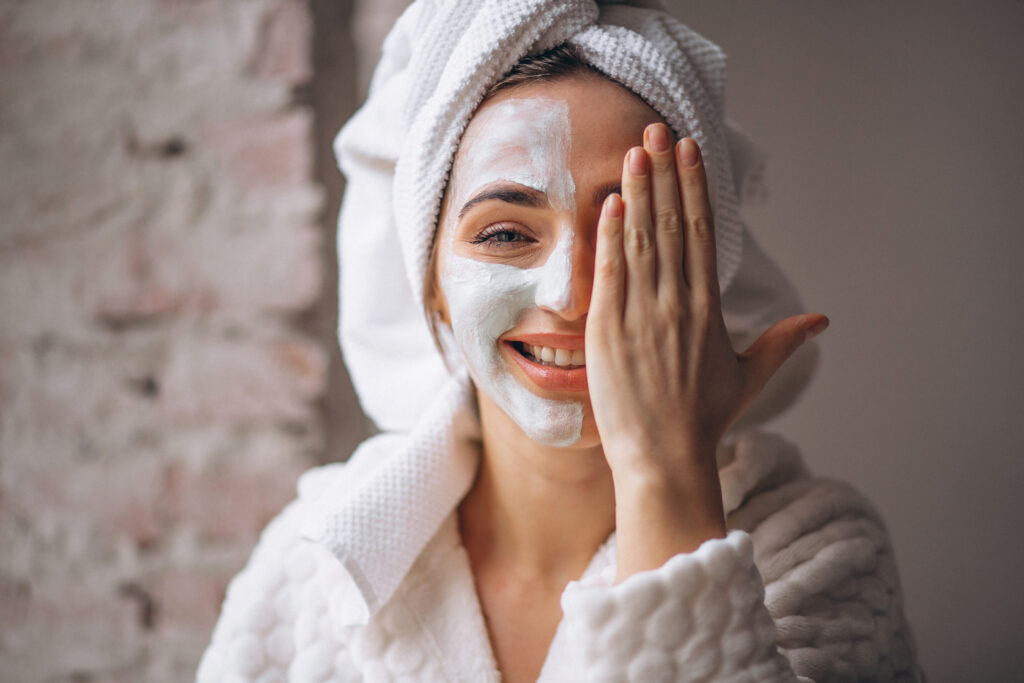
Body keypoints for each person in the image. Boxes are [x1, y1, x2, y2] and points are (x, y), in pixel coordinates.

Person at [198, 1, 921, 681]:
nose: (571, 295)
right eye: (506, 234)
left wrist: (666, 469)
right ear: (432, 287)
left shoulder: (823, 552)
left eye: (627, 235)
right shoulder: (307, 573)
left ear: (703, 270)